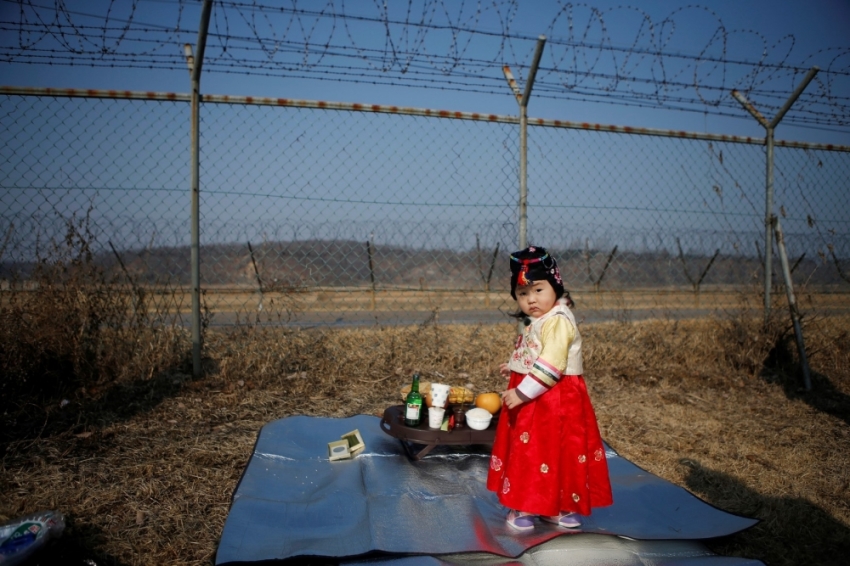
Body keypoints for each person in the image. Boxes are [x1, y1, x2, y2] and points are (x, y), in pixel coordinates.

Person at [486, 246, 613, 531]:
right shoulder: (546, 317)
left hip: (549, 397)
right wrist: (514, 365)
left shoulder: (558, 320)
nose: (531, 300)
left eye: (538, 290)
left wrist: (520, 393)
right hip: (542, 391)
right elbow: (535, 351)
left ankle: (530, 506)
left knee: (537, 449)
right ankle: (553, 506)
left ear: (555, 286)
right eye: (522, 294)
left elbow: (552, 364)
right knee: (554, 450)